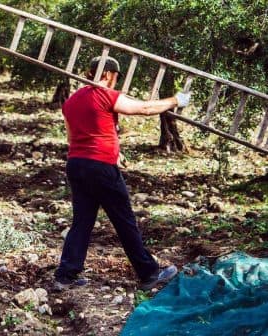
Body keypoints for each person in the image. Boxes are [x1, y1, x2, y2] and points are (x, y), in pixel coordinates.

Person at [54, 56, 191, 291]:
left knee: (82, 221)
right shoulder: (104, 94)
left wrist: (113, 150)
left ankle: (65, 276)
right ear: (107, 74)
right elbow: (145, 108)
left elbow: (73, 137)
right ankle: (149, 273)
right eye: (116, 77)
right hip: (101, 167)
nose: (115, 82)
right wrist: (175, 100)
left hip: (77, 164)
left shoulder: (71, 101)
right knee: (124, 220)